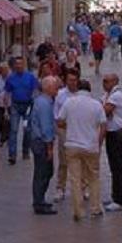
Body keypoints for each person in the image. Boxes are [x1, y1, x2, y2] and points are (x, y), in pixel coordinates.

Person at [58, 84, 106, 222]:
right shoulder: (96, 105)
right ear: (90, 90)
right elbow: (103, 125)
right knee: (93, 177)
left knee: (75, 178)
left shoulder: (69, 102)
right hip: (91, 146)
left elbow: (60, 121)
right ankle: (95, 208)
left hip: (72, 145)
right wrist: (99, 142)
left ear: (78, 89)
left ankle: (78, 211)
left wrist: (70, 126)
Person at [30, 76, 58, 215]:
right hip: (41, 142)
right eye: (55, 87)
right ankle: (39, 202)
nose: (57, 89)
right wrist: (50, 148)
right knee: (43, 172)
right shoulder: (45, 104)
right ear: (47, 87)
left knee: (45, 171)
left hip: (38, 141)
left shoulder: (43, 101)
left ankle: (39, 199)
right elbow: (46, 127)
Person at [102, 73, 122, 211]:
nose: (104, 83)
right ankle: (115, 196)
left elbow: (103, 111)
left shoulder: (116, 96)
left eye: (106, 81)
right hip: (111, 133)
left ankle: (119, 200)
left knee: (117, 166)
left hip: (118, 133)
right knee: (113, 166)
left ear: (114, 82)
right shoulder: (108, 95)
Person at [4, 56, 38, 165]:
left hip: (28, 106)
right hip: (15, 106)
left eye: (20, 64)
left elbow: (35, 91)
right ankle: (12, 155)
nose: (18, 66)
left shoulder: (30, 77)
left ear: (24, 65)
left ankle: (25, 151)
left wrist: (34, 104)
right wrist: (5, 109)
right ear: (14, 65)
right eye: (16, 64)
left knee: (27, 129)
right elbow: (7, 93)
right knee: (13, 130)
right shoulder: (11, 78)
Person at [54, 68, 79, 200]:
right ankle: (60, 187)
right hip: (64, 130)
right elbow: (56, 114)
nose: (72, 83)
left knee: (81, 161)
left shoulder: (82, 94)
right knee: (63, 161)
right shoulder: (60, 95)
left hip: (79, 131)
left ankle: (82, 187)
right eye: (70, 80)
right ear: (66, 80)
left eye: (74, 80)